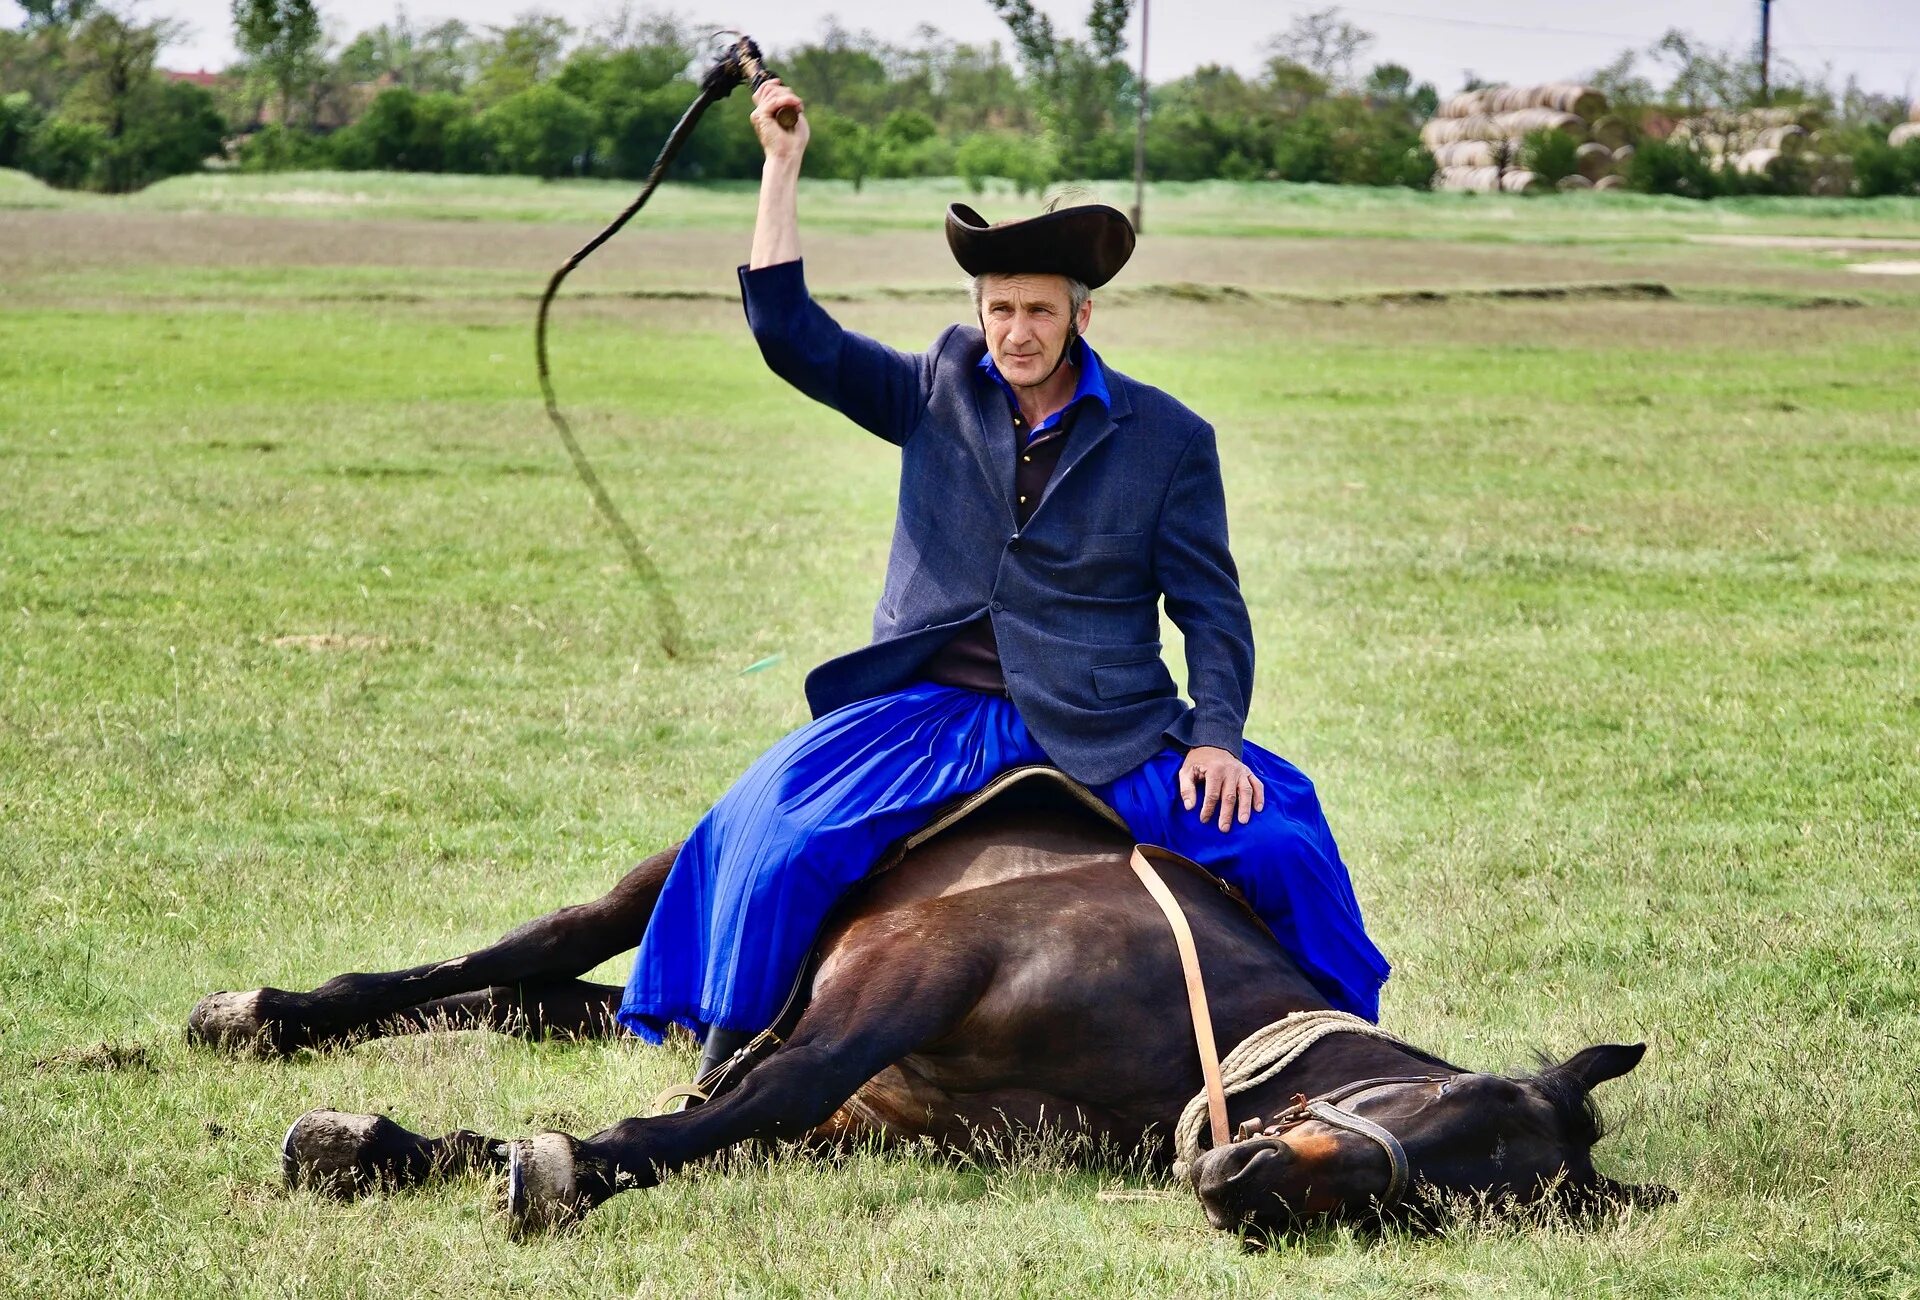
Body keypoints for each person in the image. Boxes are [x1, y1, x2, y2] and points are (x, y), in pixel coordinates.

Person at [618, 78, 1390, 1077]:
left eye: (1036, 310)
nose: (1015, 331)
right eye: (998, 310)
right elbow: (790, 337)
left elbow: (1212, 608)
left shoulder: (1168, 439)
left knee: (1284, 842)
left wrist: (1217, 736)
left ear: (1081, 313)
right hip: (931, 708)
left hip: (1108, 717)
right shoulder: (936, 386)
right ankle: (733, 1048)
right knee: (780, 831)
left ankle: (1336, 1051)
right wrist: (781, 164)